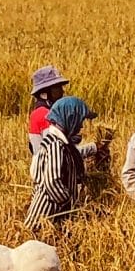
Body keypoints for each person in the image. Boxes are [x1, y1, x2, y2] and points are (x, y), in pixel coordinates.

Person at [25, 94, 93, 230]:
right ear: (71, 119)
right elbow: (52, 181)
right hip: (44, 219)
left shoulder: (62, 144)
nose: (81, 126)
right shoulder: (55, 145)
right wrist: (68, 202)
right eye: (80, 121)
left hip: (53, 220)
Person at [25, 65, 69, 137]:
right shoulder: (45, 115)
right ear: (45, 93)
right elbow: (53, 147)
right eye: (57, 88)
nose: (62, 91)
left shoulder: (39, 112)